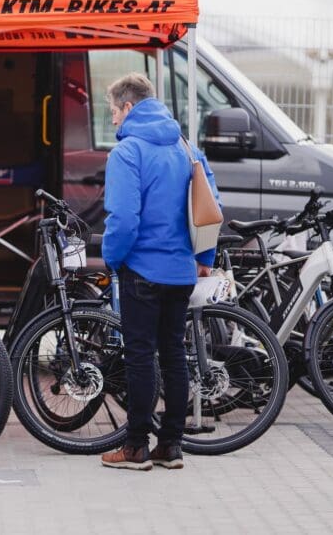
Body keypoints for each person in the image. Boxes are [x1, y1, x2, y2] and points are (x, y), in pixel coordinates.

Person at [99, 72, 220, 471]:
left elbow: (123, 219)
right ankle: (170, 446)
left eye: (114, 111)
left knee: (139, 358)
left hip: (141, 269)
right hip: (181, 272)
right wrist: (205, 257)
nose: (113, 119)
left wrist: (113, 258)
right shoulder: (186, 148)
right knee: (173, 356)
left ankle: (136, 447)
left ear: (128, 106)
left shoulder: (127, 152)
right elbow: (210, 206)